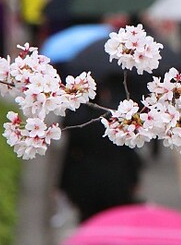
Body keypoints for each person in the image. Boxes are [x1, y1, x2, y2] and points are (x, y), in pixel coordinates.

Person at [58, 73, 143, 222]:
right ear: (104, 94)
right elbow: (129, 153)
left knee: (89, 223)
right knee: (114, 223)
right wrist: (134, 178)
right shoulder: (115, 121)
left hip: (87, 183)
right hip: (116, 182)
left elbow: (70, 156)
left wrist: (63, 185)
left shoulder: (79, 123)